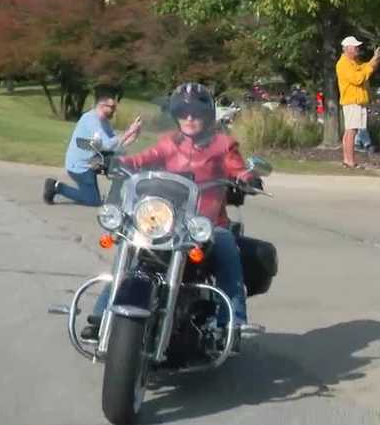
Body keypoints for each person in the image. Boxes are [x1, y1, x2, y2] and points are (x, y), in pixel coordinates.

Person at [80, 83, 257, 343]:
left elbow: (238, 168)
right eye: (183, 112)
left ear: (207, 115)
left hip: (205, 223)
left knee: (227, 246)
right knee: (131, 249)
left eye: (196, 112)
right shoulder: (169, 143)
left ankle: (233, 322)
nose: (189, 118)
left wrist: (248, 178)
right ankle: (102, 316)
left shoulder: (223, 145)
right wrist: (113, 162)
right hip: (166, 221)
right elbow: (140, 160)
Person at [43, 93, 142, 206]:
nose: (114, 110)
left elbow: (116, 145)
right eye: (112, 107)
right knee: (92, 200)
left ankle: (114, 197)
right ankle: (56, 187)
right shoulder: (91, 120)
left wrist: (133, 135)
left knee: (121, 160)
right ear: (102, 105)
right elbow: (107, 145)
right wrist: (129, 132)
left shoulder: (104, 121)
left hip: (92, 160)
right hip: (79, 166)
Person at [336, 35, 380, 169]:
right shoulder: (343, 64)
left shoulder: (354, 62)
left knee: (350, 131)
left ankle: (347, 160)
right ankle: (349, 161)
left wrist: (375, 59)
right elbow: (358, 79)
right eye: (355, 47)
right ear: (347, 48)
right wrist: (370, 66)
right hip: (352, 101)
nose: (358, 49)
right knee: (351, 131)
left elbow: (366, 67)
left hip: (357, 101)